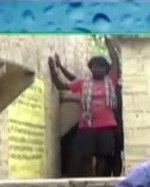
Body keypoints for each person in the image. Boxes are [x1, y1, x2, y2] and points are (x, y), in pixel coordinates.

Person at [48, 36, 121, 177]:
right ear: (90, 69)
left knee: (103, 157)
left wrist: (109, 43)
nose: (97, 69)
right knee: (86, 157)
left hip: (106, 127)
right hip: (87, 126)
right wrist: (54, 68)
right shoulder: (83, 83)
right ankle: (88, 182)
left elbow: (116, 62)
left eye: (101, 66)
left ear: (106, 70)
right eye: (94, 66)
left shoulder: (111, 81)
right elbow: (60, 85)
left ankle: (98, 181)